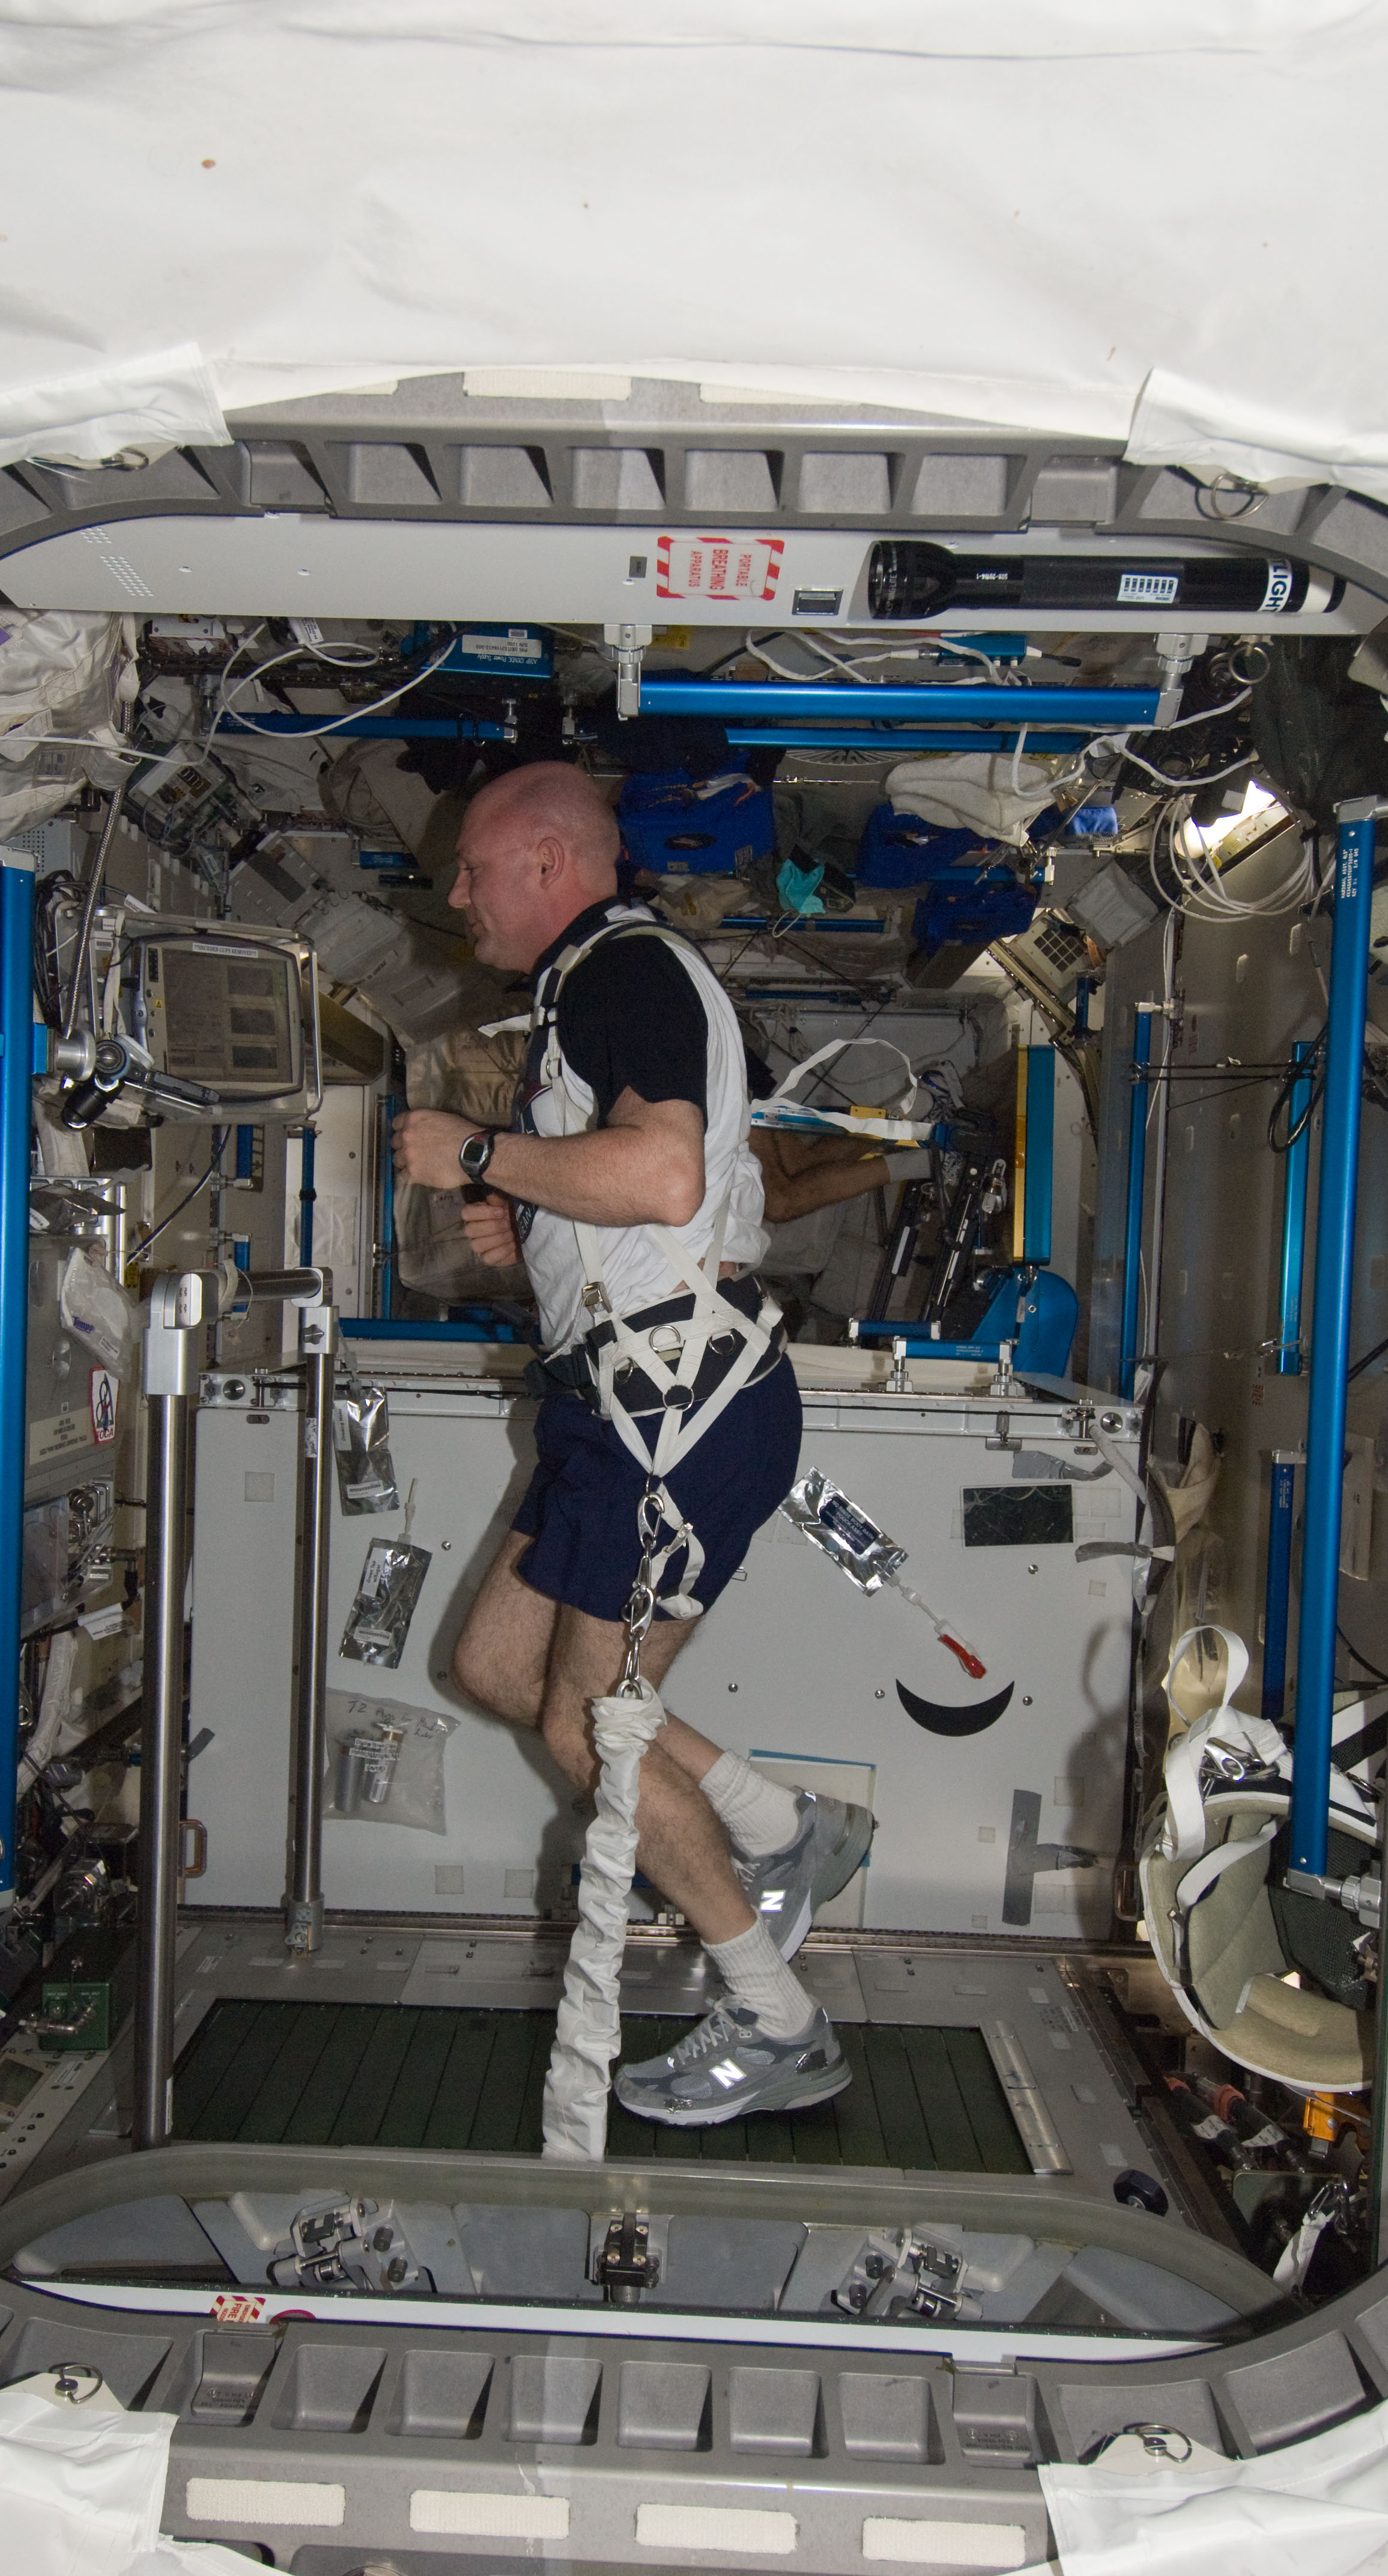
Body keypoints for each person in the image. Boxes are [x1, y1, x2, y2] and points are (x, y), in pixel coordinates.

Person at [393, 763, 873, 2127]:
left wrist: (482, 1156)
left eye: (473, 869)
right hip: (622, 1402)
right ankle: (786, 1828)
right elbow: (646, 1197)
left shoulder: (620, 968)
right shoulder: (587, 994)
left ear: (546, 861)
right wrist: (530, 1217)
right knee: (492, 1663)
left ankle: (776, 2018)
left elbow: (659, 1173)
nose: (455, 892)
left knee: (578, 1719)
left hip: (678, 1410)